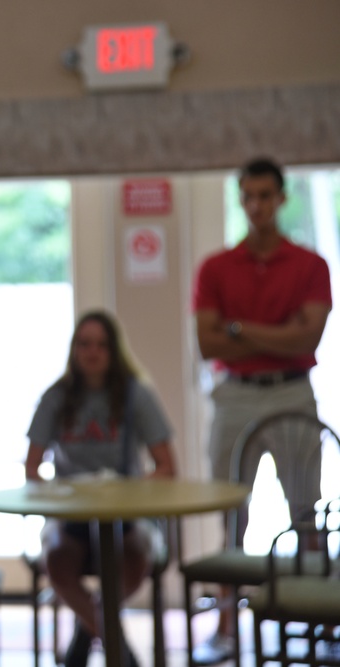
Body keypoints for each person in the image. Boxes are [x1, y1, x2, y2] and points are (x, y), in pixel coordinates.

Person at [191, 157, 332, 664]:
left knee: (306, 509)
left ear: (281, 198)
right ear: (241, 199)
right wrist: (276, 334)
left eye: (265, 195)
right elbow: (208, 344)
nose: (257, 205)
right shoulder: (215, 267)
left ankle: (319, 619)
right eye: (248, 196)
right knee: (231, 510)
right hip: (235, 394)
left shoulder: (310, 265)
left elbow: (308, 336)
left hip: (293, 391)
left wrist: (238, 328)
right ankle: (226, 624)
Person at [24, 310, 176, 667]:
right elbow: (32, 466)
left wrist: (129, 490)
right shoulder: (56, 397)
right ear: (74, 350)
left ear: (114, 351)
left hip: (125, 515)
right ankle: (116, 645)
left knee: (136, 558)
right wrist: (60, 494)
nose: (92, 353)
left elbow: (167, 466)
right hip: (71, 515)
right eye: (84, 344)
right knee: (57, 561)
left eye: (101, 345)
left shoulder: (136, 395)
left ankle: (85, 628)